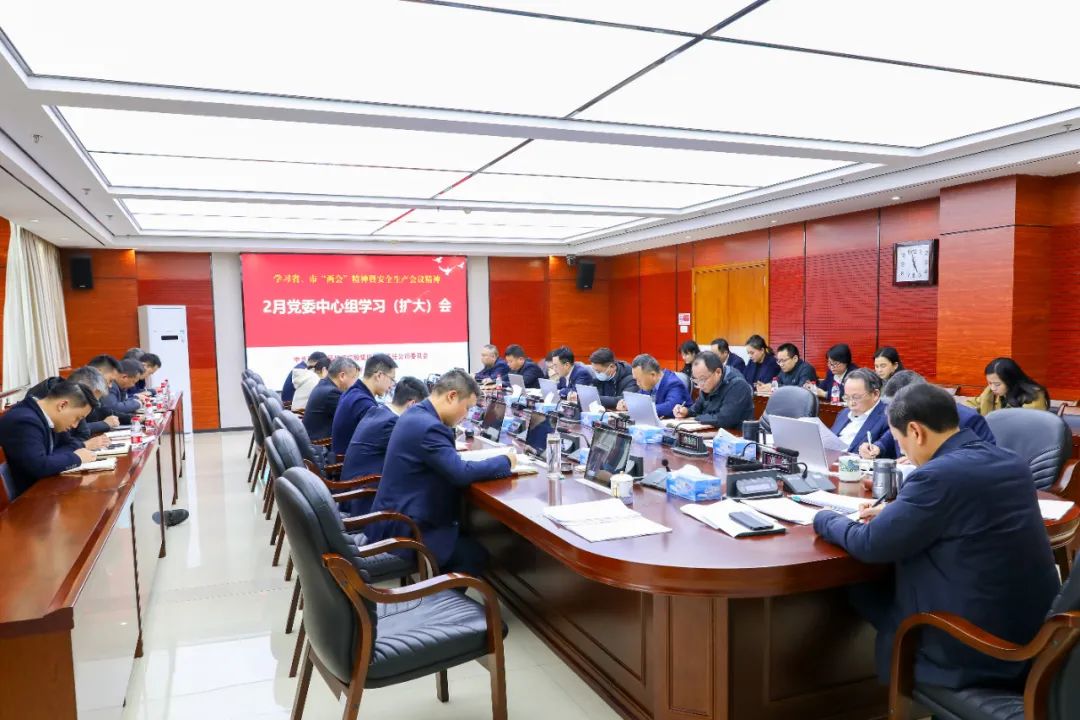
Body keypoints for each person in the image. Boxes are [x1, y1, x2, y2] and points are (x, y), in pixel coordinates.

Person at [814, 383, 1059, 689]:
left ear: (915, 431)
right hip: (1036, 635)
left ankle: (846, 694)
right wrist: (897, 512)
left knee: (857, 586)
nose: (903, 452)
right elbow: (963, 511)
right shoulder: (1010, 461)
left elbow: (870, 544)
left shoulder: (936, 476)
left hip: (972, 647)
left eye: (900, 442)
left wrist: (825, 517)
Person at [366, 370, 516, 576]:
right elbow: (460, 473)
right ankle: (436, 594)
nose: (466, 416)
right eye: (467, 408)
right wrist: (505, 461)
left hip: (395, 517)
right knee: (474, 555)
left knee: (468, 536)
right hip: (407, 530)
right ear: (452, 396)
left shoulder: (416, 413)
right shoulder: (429, 427)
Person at [340, 376, 429, 515]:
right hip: (363, 500)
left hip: (353, 492)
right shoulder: (391, 424)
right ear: (412, 404)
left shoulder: (378, 412)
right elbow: (419, 456)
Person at [860, 370, 995, 460]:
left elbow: (985, 459)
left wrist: (920, 458)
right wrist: (878, 447)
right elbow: (893, 434)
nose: (896, 412)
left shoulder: (968, 418)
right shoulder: (904, 415)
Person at [0, 380, 97, 499]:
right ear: (62, 405)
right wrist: (77, 458)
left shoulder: (47, 418)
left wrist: (53, 458)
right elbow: (39, 466)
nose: (75, 425)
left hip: (42, 491)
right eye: (77, 418)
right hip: (25, 500)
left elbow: (69, 444)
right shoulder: (24, 421)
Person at [27, 366, 112, 451]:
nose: (90, 405)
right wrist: (83, 446)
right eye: (89, 398)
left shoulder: (74, 404)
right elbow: (48, 453)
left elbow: (83, 433)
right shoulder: (43, 406)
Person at [330, 354, 398, 456]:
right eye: (392, 379)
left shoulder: (353, 393)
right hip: (348, 461)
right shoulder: (363, 403)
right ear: (379, 375)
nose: (392, 385)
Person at [672, 351, 754, 429]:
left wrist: (696, 418)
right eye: (696, 380)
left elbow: (724, 420)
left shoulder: (738, 385)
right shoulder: (707, 385)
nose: (700, 385)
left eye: (702, 379)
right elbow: (696, 409)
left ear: (718, 372)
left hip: (735, 435)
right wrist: (686, 411)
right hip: (712, 432)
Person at [830, 368, 889, 453]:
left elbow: (884, 447)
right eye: (847, 397)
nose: (851, 403)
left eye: (856, 397)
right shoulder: (844, 413)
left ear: (875, 394)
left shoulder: (888, 418)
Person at [302, 356, 359, 443]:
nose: (356, 382)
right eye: (354, 377)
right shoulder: (332, 393)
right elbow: (352, 418)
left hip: (316, 441)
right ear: (342, 376)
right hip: (323, 445)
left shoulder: (324, 384)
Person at [966, 357, 1049, 415]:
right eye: (989, 383)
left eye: (997, 384)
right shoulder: (990, 392)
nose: (992, 388)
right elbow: (973, 404)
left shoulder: (1033, 396)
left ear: (1011, 381)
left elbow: (1027, 424)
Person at [617, 354, 689, 418]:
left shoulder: (673, 383)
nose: (637, 383)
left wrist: (638, 408)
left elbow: (670, 407)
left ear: (653, 375)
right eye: (636, 379)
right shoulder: (648, 384)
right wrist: (627, 403)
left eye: (639, 380)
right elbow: (639, 399)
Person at [84, 355, 123, 435]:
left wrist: (134, 418)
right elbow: (75, 430)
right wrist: (104, 424)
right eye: (110, 380)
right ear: (99, 373)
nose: (110, 386)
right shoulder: (75, 393)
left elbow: (104, 411)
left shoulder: (96, 393)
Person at [100, 358, 146, 424]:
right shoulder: (111, 385)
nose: (133, 386)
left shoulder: (120, 386)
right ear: (124, 377)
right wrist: (138, 403)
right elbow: (114, 408)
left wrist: (135, 399)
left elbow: (122, 402)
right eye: (133, 382)